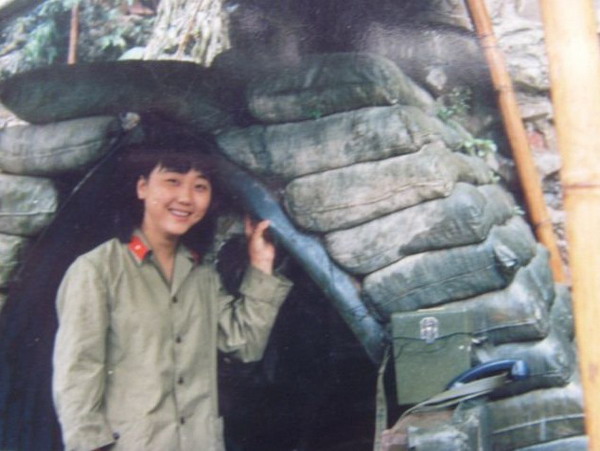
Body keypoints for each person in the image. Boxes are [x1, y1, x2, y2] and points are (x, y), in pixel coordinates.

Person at [52, 142, 292, 451]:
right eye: (173, 181)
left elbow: (243, 343)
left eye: (200, 186)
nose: (186, 198)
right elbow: (77, 376)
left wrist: (260, 264)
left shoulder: (201, 273)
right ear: (142, 187)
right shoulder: (97, 271)